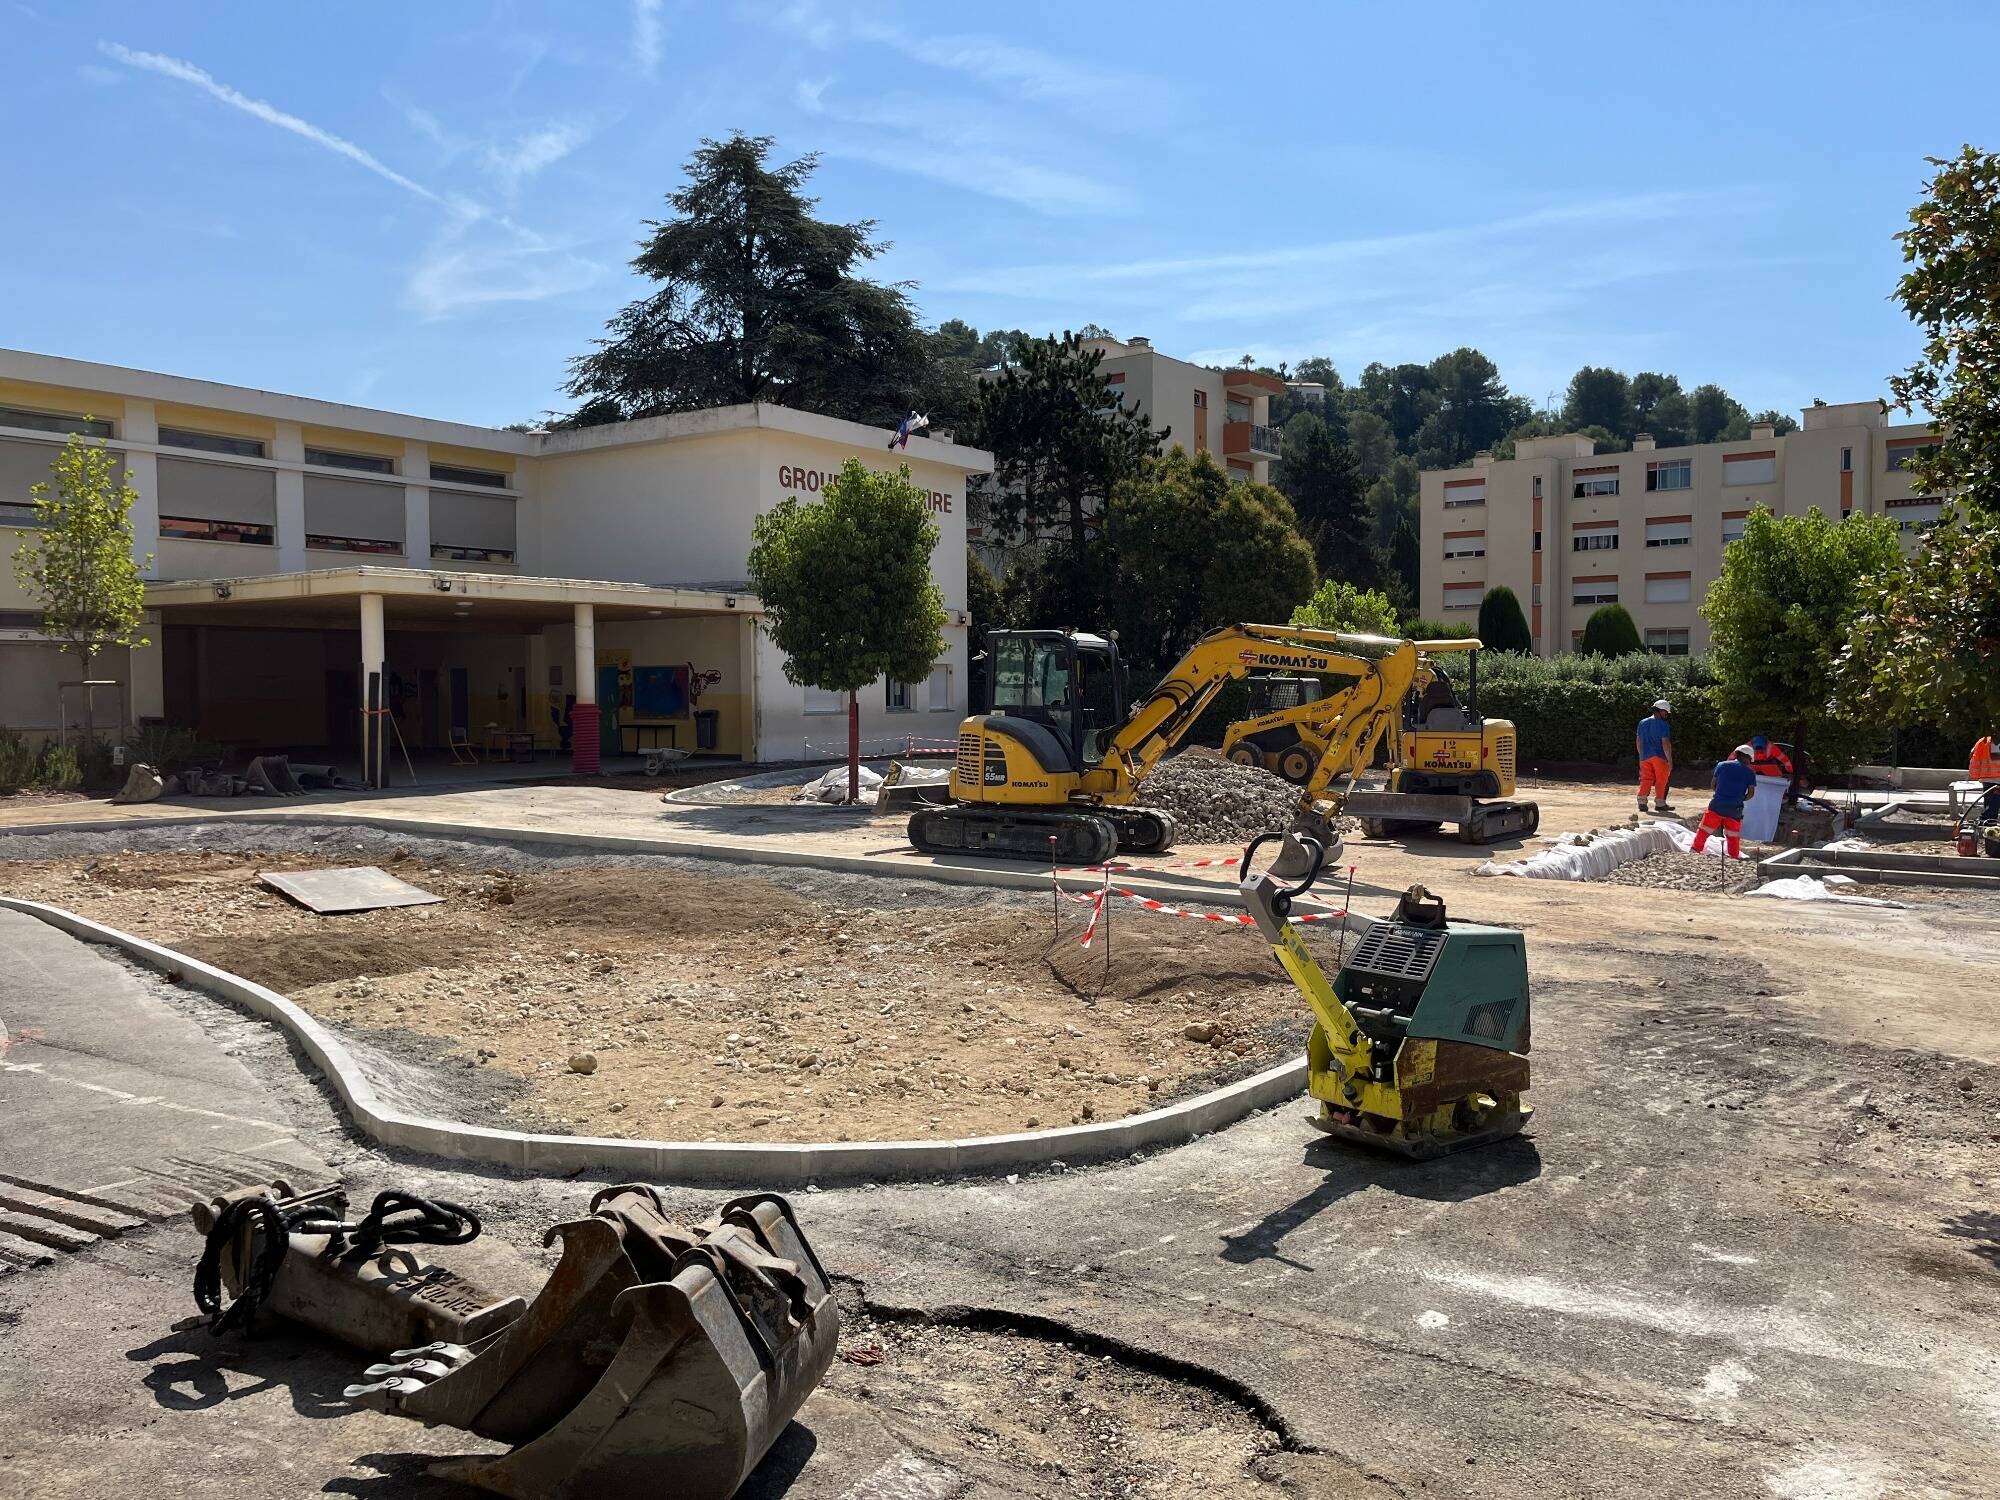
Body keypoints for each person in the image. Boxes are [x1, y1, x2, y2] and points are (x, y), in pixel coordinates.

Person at [1692, 747, 1759, 859]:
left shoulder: (1722, 765)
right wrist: (1740, 799)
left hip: (1717, 804)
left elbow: (1713, 784)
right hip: (1735, 808)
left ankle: (1695, 849)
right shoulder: (1750, 772)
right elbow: (1751, 793)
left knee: (1704, 830)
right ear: (1748, 757)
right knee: (1733, 835)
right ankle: (1733, 856)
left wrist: (1721, 794)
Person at [1636, 699, 1674, 815]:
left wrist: (1641, 755)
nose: (1666, 715)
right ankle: (1660, 803)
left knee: (1646, 779)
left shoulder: (1642, 722)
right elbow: (1665, 743)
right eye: (1665, 713)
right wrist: (1670, 760)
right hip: (1659, 756)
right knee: (1661, 780)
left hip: (1644, 756)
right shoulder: (1663, 725)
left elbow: (1638, 741)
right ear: (1660, 711)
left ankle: (1642, 801)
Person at [1972, 727, 2000, 823]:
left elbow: (1972, 755)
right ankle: (1988, 822)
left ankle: (1987, 823)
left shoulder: (1983, 741)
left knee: (1989, 803)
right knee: (1993, 804)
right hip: (1996, 778)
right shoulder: (1991, 741)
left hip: (1987, 778)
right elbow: (1994, 755)